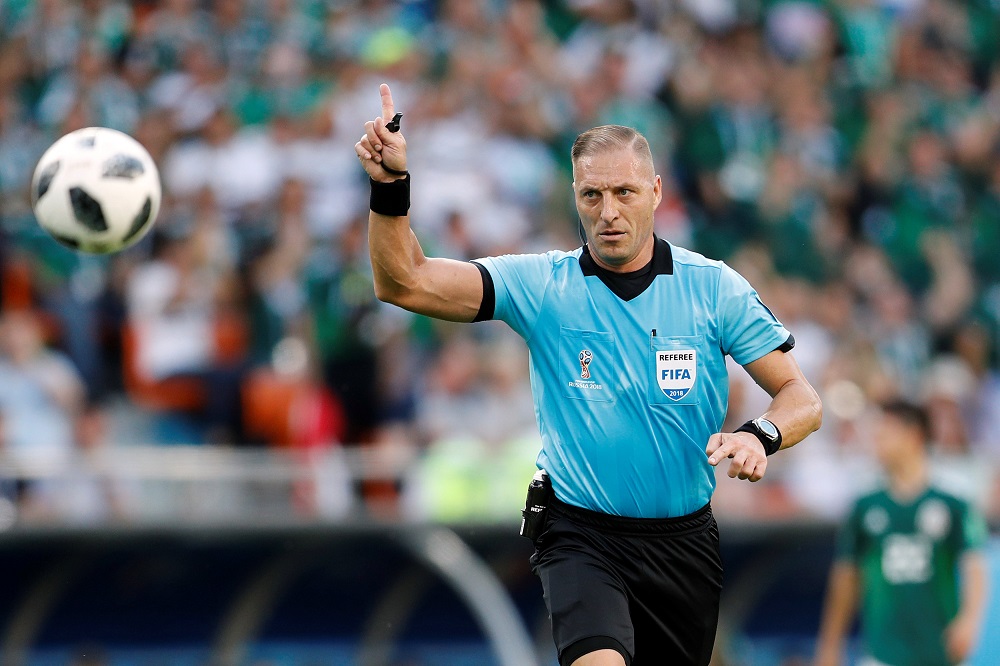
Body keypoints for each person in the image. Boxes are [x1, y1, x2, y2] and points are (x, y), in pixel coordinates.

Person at [355, 84, 823, 666]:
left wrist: (760, 435)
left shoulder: (714, 288)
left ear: (656, 192)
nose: (608, 212)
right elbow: (404, 282)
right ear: (574, 197)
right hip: (579, 533)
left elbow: (802, 397)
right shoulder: (542, 286)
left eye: (624, 192)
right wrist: (390, 185)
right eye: (592, 195)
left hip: (683, 542)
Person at [814, 400, 989, 666]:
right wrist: (830, 644)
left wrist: (969, 621)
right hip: (882, 652)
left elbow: (973, 565)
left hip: (939, 649)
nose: (877, 442)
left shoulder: (953, 504)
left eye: (885, 434)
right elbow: (846, 577)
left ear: (914, 436)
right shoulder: (865, 506)